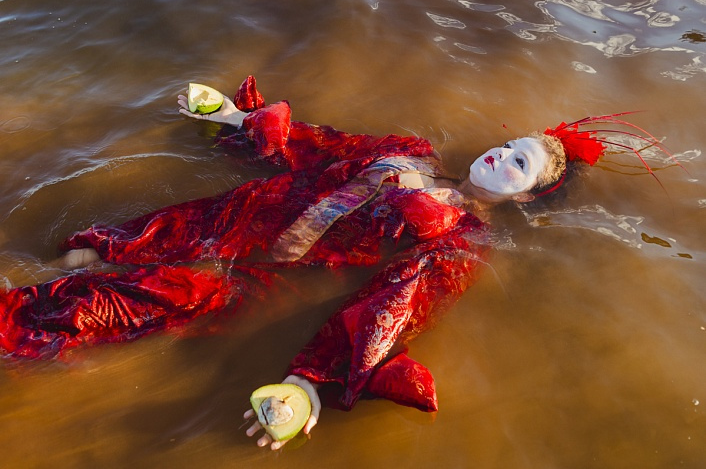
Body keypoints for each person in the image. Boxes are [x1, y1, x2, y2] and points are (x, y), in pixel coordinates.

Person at [0, 75, 672, 450]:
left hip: (263, 277)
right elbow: (323, 147)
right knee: (92, 248)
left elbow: (396, 304)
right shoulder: (408, 150)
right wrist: (239, 120)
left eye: (518, 163)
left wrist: (308, 383)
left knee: (96, 307)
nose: (499, 154)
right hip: (236, 216)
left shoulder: (460, 239)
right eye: (506, 144)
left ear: (526, 195)